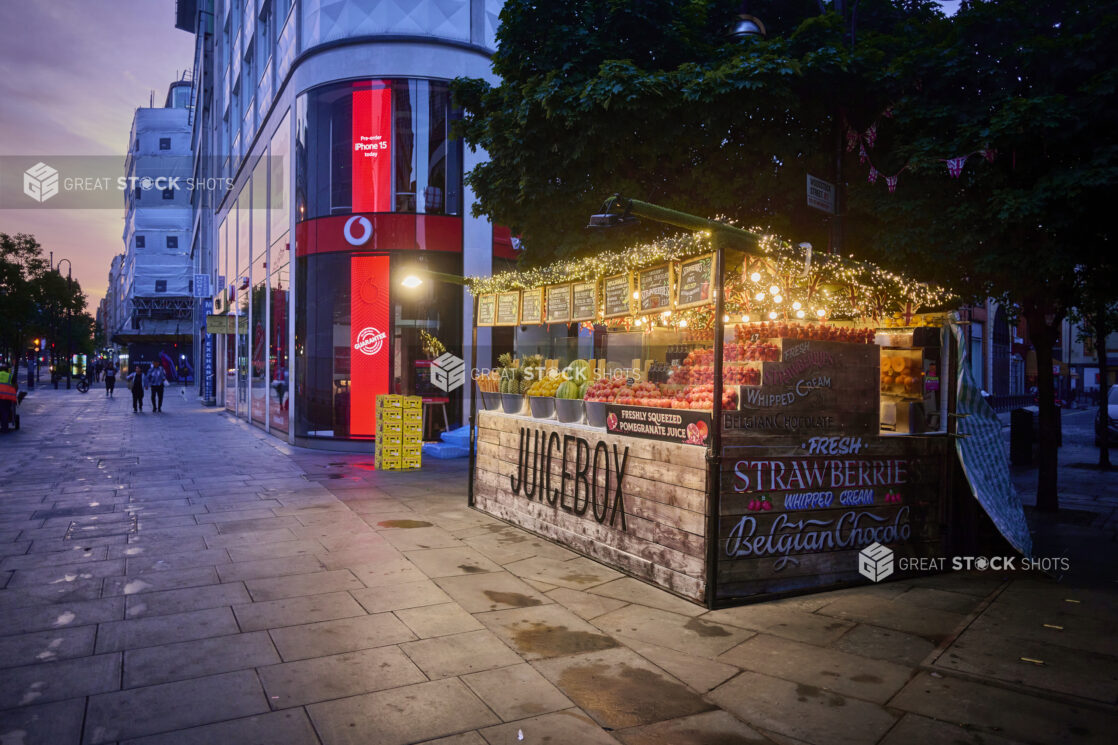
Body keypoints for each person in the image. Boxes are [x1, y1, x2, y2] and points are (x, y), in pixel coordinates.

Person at [0, 362, 18, 433]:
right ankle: (5, 428)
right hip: (6, 397)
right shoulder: (10, 376)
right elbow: (15, 386)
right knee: (5, 412)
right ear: (7, 370)